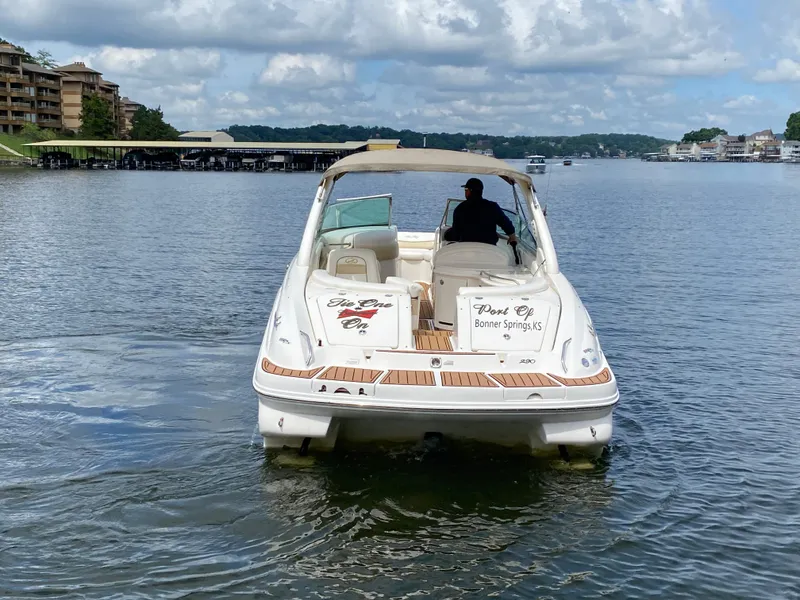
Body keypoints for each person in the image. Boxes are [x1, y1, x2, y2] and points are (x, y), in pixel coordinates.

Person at [443, 177, 517, 246]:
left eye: (466, 189)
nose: (465, 192)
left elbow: (456, 234)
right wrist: (512, 236)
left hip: (466, 249)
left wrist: (447, 234)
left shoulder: (460, 209)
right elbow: (506, 224)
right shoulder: (492, 207)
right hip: (489, 249)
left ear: (469, 191)